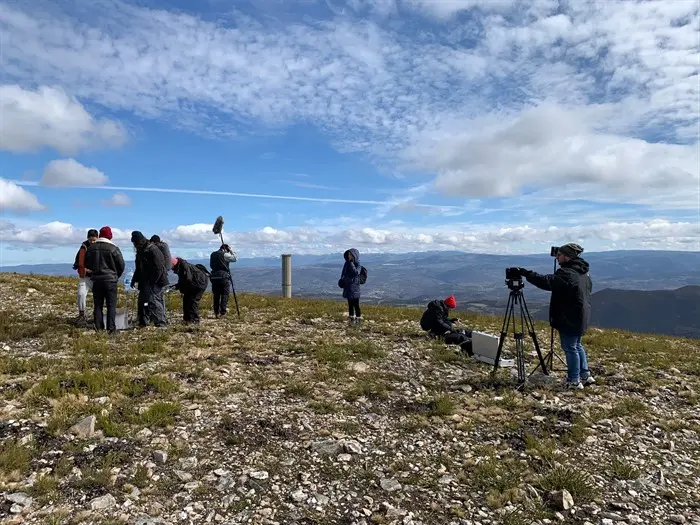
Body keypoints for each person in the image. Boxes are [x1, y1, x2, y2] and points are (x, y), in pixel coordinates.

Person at [518, 243, 594, 390]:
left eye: (559, 255)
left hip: (569, 316)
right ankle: (585, 375)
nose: (557, 258)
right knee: (577, 345)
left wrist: (527, 273)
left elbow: (547, 282)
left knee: (570, 347)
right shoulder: (583, 271)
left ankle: (574, 380)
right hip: (581, 314)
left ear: (566, 256)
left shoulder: (567, 273)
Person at [85, 226, 125, 333]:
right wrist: (116, 276)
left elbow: (87, 263)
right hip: (110, 280)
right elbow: (121, 265)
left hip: (96, 280)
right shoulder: (113, 248)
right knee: (111, 305)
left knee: (98, 305)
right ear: (109, 236)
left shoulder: (91, 248)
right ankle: (111, 329)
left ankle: (99, 328)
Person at [130, 231, 169, 328]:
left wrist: (153, 281)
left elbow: (159, 268)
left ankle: (161, 324)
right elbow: (138, 268)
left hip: (155, 281)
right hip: (145, 280)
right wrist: (134, 280)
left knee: (155, 301)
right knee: (143, 302)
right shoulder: (140, 251)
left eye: (135, 243)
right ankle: (143, 322)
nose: (135, 245)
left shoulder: (153, 249)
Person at [172, 257, 209, 324]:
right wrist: (181, 289)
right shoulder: (181, 266)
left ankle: (195, 320)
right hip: (195, 283)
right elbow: (183, 280)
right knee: (186, 300)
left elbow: (187, 279)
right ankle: (187, 319)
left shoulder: (184, 267)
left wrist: (181, 289)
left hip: (199, 283)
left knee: (193, 301)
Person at [73, 229, 98, 324]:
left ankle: (96, 315)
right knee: (81, 293)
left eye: (94, 240)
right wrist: (85, 270)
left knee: (98, 297)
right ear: (88, 238)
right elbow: (80, 263)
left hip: (97, 277)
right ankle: (81, 314)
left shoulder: (99, 247)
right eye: (90, 240)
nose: (92, 242)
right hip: (86, 276)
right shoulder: (83, 248)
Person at [210, 244, 237, 318]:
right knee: (225, 294)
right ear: (225, 249)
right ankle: (222, 312)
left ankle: (216, 312)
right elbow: (234, 259)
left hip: (214, 276)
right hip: (223, 276)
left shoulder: (212, 254)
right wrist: (231, 251)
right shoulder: (224, 254)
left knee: (216, 295)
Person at [339, 248, 363, 324]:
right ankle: (351, 318)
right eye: (348, 254)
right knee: (350, 303)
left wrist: (351, 263)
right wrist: (342, 280)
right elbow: (343, 273)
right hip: (348, 286)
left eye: (350, 254)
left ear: (354, 255)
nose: (349, 256)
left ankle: (358, 319)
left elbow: (355, 273)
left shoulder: (357, 264)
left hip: (355, 287)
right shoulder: (347, 263)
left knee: (356, 304)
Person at [150, 235, 172, 315]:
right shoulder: (164, 245)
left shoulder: (158, 246)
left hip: (161, 272)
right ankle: (162, 313)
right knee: (161, 294)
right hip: (165, 272)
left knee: (157, 294)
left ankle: (159, 314)